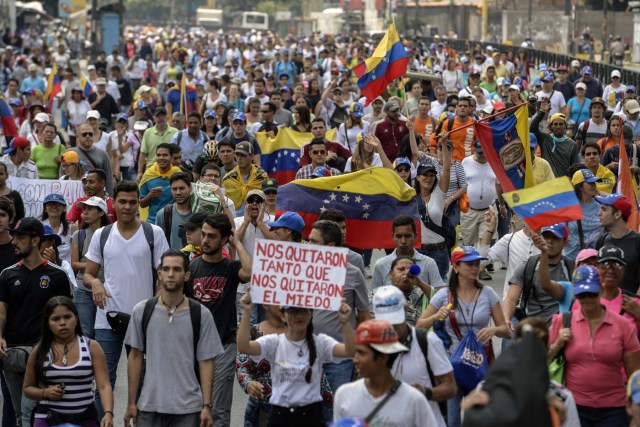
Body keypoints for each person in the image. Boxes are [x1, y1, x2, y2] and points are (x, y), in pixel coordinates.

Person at [83, 180, 169, 414]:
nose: (128, 207)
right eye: (122, 202)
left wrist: (156, 307)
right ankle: (103, 420)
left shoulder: (154, 233)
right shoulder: (102, 234)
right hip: (106, 319)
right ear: (114, 203)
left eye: (133, 202)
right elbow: (87, 275)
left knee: (141, 380)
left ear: (138, 204)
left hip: (142, 320)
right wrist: (96, 282)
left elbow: (164, 277)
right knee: (103, 379)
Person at [124, 250, 222, 427]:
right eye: (166, 269)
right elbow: (135, 356)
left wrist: (206, 406)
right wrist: (131, 403)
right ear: (159, 274)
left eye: (176, 269)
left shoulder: (201, 314)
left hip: (188, 408)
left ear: (186, 275)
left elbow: (206, 361)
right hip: (148, 406)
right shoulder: (141, 311)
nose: (170, 274)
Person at [417, 246, 510, 427]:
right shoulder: (444, 295)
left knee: (480, 420)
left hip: (479, 366)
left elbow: (506, 330)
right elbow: (420, 325)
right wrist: (437, 316)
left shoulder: (488, 294)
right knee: (452, 422)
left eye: (477, 264)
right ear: (456, 267)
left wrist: (494, 331)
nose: (475, 268)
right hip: (452, 367)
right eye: (469, 264)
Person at [238, 294, 355, 427]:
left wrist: (345, 322)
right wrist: (246, 313)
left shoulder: (321, 343)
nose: (299, 316)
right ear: (283, 316)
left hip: (311, 416)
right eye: (293, 311)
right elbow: (243, 347)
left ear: (310, 314)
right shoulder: (274, 342)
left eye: (303, 310)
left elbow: (350, 351)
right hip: (280, 416)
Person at [0, 217, 72, 426]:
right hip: (12, 355)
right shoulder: (7, 274)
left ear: (35, 240)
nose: (14, 241)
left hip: (44, 355)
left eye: (20, 237)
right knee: (20, 413)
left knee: (30, 412)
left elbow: (67, 317)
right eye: (14, 236)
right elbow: (2, 310)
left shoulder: (57, 275)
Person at [549, 265, 640, 426]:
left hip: (614, 409)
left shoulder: (623, 325)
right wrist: (557, 345)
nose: (587, 299)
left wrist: (635, 414)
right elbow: (537, 363)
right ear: (575, 295)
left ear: (601, 290)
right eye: (581, 295)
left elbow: (635, 376)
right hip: (574, 407)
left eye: (591, 293)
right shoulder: (562, 321)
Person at [186, 213, 252, 427]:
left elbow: (250, 271)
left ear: (224, 239)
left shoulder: (231, 268)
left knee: (219, 410)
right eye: (203, 235)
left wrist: (238, 243)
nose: (205, 240)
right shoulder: (191, 268)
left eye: (212, 236)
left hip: (224, 345)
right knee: (194, 407)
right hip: (194, 348)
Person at [23, 297, 114, 427]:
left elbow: (104, 385)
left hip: (85, 417)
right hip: (47, 418)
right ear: (48, 323)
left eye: (67, 317)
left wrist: (108, 413)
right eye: (56, 319)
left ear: (76, 319)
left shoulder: (91, 347)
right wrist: (45, 393)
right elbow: (27, 388)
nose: (62, 323)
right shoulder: (39, 351)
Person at [372, 285, 456, 426]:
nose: (391, 328)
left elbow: (451, 387)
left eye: (395, 321)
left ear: (405, 310)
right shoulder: (372, 346)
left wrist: (426, 393)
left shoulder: (428, 341)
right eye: (386, 323)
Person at [332, 319, 437, 426]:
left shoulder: (414, 401)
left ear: (383, 357)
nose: (355, 359)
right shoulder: (344, 395)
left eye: (362, 353)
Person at [502, 223, 574, 327]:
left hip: (561, 330)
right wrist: (506, 319)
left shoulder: (571, 268)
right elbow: (511, 299)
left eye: (555, 238)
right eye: (546, 236)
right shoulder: (528, 266)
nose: (549, 241)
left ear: (565, 242)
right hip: (531, 329)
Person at [70, 196, 111, 339]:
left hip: (106, 289)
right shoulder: (78, 235)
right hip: (83, 289)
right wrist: (94, 264)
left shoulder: (112, 234)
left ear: (101, 213)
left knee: (104, 334)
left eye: (90, 209)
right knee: (85, 333)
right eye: (84, 209)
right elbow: (74, 264)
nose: (85, 213)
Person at [371, 215, 444, 290]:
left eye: (407, 236)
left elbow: (440, 297)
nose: (403, 241)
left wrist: (420, 284)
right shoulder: (381, 265)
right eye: (399, 236)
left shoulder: (428, 263)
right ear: (393, 237)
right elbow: (373, 296)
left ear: (415, 236)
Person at [414, 141, 452, 281]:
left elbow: (446, 170)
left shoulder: (439, 193)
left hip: (439, 252)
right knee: (419, 292)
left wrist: (444, 146)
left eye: (432, 175)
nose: (429, 178)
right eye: (425, 175)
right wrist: (379, 148)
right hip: (418, 252)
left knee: (439, 291)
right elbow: (393, 175)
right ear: (417, 177)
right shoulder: (410, 196)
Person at [595, 193, 640, 294]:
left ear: (617, 214)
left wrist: (635, 305)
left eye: (604, 209)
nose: (599, 213)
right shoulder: (601, 240)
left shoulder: (637, 242)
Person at [460, 141, 497, 249]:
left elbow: (499, 183)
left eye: (483, 152)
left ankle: (483, 264)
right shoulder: (466, 162)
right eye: (478, 152)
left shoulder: (494, 162)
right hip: (469, 210)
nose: (481, 155)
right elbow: (461, 183)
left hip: (488, 209)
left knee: (485, 242)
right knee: (468, 244)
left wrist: (502, 205)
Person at [530, 101, 579, 178]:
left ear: (565, 126)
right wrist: (542, 112)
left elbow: (575, 167)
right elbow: (532, 128)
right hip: (547, 182)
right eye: (555, 124)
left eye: (561, 124)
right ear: (551, 126)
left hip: (564, 183)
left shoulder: (572, 144)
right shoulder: (545, 139)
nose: (558, 126)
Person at [564, 169, 604, 261]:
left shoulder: (602, 205)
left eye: (595, 182)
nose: (594, 186)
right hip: (572, 260)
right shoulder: (568, 207)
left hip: (595, 260)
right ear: (580, 187)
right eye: (590, 183)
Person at [139, 143, 182, 224]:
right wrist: (150, 195)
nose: (161, 158)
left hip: (174, 222)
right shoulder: (149, 174)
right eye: (158, 155)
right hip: (153, 221)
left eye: (165, 155)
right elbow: (142, 204)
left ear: (171, 157)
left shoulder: (178, 173)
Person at [222, 141, 268, 216]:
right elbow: (225, 203)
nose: (239, 158)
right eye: (237, 155)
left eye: (243, 155)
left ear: (252, 156)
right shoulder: (228, 178)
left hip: (257, 219)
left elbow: (266, 200)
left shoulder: (261, 177)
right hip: (235, 221)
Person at [69, 124, 114, 195]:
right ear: (77, 137)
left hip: (97, 195)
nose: (88, 136)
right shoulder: (69, 153)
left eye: (90, 134)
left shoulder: (103, 154)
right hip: (74, 194)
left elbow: (108, 178)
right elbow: (63, 176)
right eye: (84, 134)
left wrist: (110, 198)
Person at [155, 172, 193, 250]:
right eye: (174, 189)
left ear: (190, 188)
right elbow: (158, 244)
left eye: (182, 188)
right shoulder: (164, 214)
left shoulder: (198, 212)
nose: (178, 192)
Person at [138, 107, 178, 177]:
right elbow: (143, 153)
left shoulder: (175, 132)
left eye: (163, 116)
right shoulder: (148, 132)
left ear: (167, 117)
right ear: (154, 117)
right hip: (151, 170)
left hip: (170, 170)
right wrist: (140, 171)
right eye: (158, 116)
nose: (161, 118)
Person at [41, 193, 76, 265]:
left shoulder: (72, 228)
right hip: (43, 268)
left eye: (58, 204)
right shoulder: (39, 226)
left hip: (66, 269)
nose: (54, 207)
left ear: (64, 208)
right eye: (50, 204)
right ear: (45, 209)